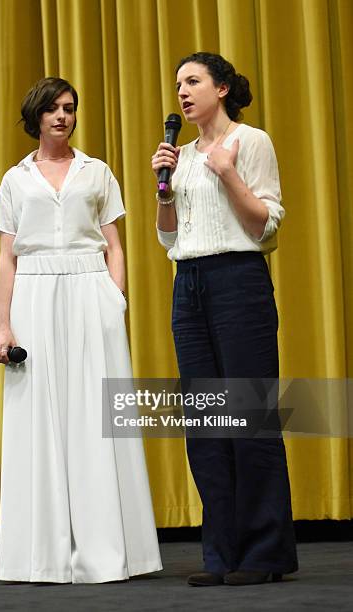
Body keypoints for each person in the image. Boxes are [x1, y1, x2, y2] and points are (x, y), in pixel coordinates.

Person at [0, 77, 162, 584]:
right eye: (52, 109)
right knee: (37, 416)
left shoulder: (98, 172)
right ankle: (38, 555)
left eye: (69, 108)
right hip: (34, 297)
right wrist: (4, 325)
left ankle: (110, 552)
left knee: (98, 414)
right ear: (35, 117)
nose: (62, 117)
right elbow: (5, 258)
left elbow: (116, 245)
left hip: (91, 292)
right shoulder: (15, 179)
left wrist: (116, 299)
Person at [152, 52, 298, 586]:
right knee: (207, 424)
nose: (183, 92)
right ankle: (222, 553)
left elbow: (266, 226)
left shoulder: (249, 140)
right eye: (178, 85)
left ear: (222, 88)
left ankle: (264, 552)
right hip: (187, 285)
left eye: (193, 82)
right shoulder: (182, 154)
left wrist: (229, 172)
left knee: (249, 419)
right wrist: (163, 185)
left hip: (238, 281)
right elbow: (168, 236)